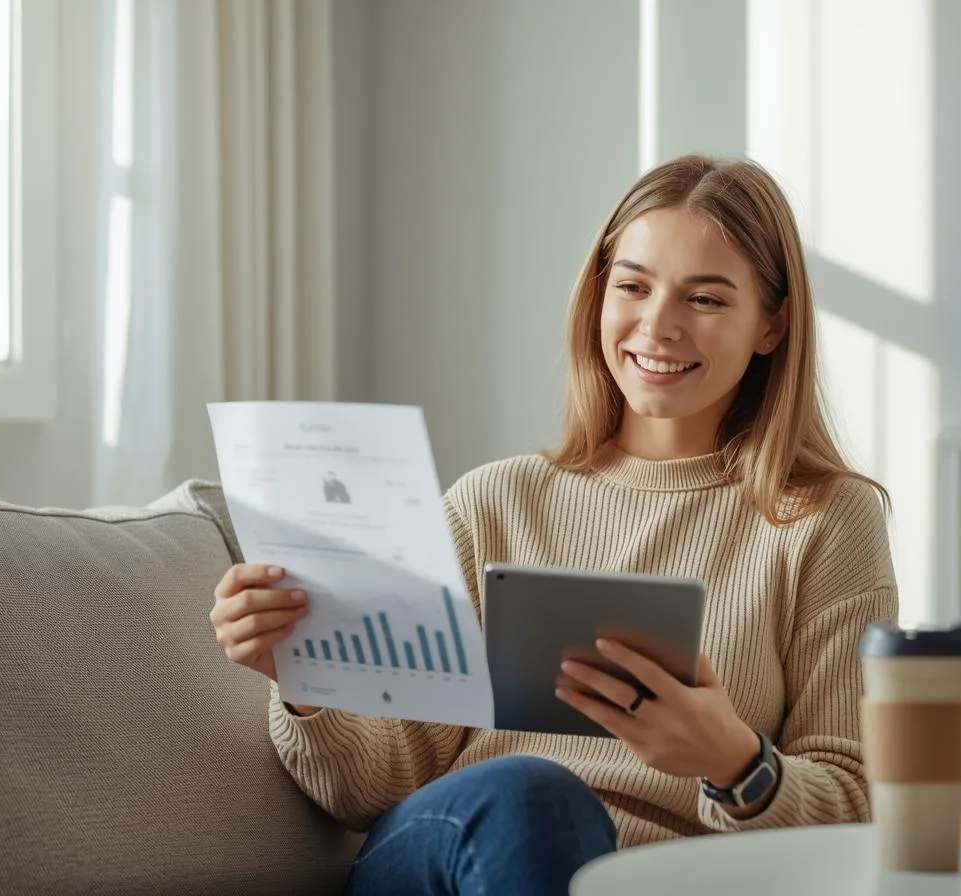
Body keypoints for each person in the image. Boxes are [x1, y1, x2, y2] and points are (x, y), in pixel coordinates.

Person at [209, 154, 898, 895]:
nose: (657, 327)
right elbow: (371, 787)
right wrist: (306, 679)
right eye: (632, 286)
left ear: (772, 325)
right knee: (534, 795)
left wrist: (734, 762)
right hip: (458, 856)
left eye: (704, 299)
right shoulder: (493, 504)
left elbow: (856, 812)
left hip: (675, 878)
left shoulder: (824, 521)